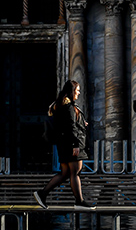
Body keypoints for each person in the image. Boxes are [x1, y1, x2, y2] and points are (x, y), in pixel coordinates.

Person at [33, 80, 96, 209]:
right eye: (77, 90)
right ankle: (79, 202)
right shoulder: (68, 107)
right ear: (71, 91)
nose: (78, 93)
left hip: (63, 144)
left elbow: (66, 125)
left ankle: (42, 194)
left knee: (65, 173)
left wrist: (81, 123)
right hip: (70, 144)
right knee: (75, 172)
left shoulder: (61, 105)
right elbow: (70, 127)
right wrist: (75, 145)